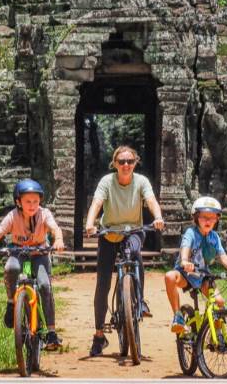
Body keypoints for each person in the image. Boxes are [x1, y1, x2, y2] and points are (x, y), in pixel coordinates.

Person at [84, 145, 164, 357]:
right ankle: (99, 334)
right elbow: (96, 204)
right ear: (115, 164)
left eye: (130, 161)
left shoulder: (141, 181)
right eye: (122, 162)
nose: (126, 165)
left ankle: (140, 300)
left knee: (135, 255)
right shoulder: (107, 182)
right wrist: (90, 224)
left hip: (133, 230)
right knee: (103, 283)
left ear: (135, 163)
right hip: (109, 233)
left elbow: (151, 201)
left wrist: (158, 217)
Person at [0, 178, 65, 350]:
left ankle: (51, 332)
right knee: (11, 268)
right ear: (18, 202)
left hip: (39, 253)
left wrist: (58, 240)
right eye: (28, 201)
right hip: (18, 251)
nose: (32, 205)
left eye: (36, 201)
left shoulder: (44, 214)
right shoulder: (12, 216)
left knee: (44, 285)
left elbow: (55, 229)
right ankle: (12, 303)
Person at [164, 196, 227, 333]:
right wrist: (184, 261)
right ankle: (178, 316)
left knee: (219, 302)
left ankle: (217, 334)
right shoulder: (191, 233)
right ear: (196, 217)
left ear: (217, 219)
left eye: (212, 217)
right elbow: (186, 247)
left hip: (203, 276)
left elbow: (222, 256)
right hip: (186, 274)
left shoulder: (214, 237)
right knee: (170, 276)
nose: (208, 221)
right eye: (204, 217)